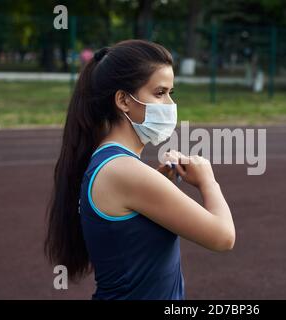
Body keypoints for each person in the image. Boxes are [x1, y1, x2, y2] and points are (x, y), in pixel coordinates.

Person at [44, 40, 235, 300]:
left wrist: (157, 183)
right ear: (123, 100)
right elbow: (223, 237)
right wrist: (208, 181)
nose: (169, 104)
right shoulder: (123, 171)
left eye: (171, 93)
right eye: (159, 93)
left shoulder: (110, 162)